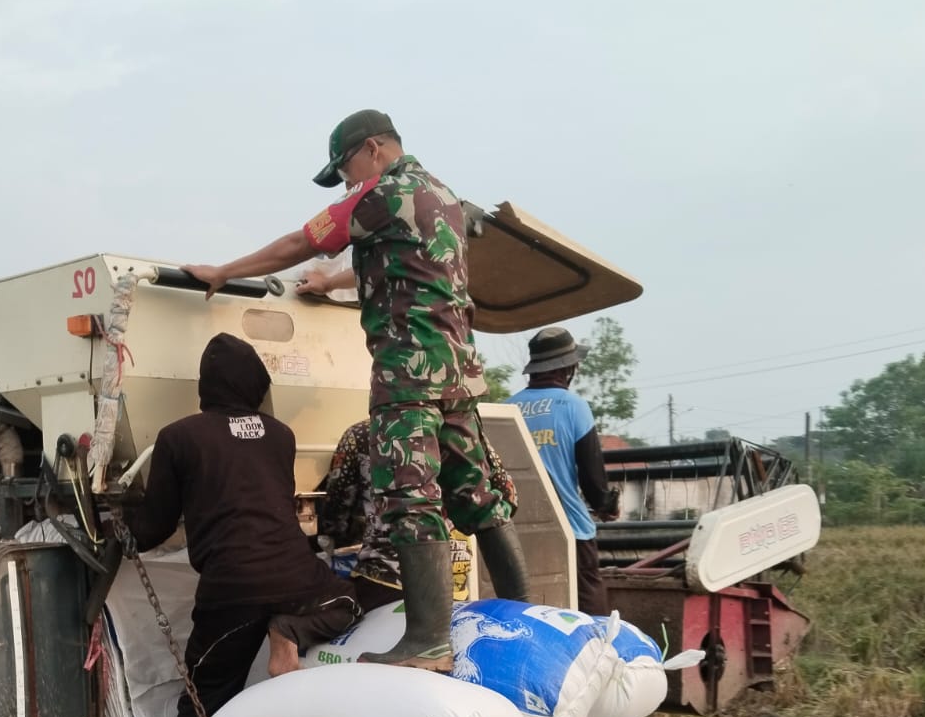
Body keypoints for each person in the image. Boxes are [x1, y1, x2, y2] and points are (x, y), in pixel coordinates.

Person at [184, 108, 527, 672]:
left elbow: (299, 242)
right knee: (475, 491)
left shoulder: (381, 193)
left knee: (410, 496)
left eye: (345, 167)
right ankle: (521, 615)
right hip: (457, 369)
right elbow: (399, 258)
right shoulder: (440, 196)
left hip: (407, 373)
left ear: (373, 148)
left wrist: (224, 271)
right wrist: (333, 282)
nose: (346, 180)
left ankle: (427, 641)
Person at [119, 332, 359, 717]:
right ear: (255, 384)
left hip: (231, 589)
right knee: (351, 601)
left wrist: (120, 522)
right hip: (297, 575)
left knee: (205, 698)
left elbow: (154, 529)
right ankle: (287, 628)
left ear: (206, 385)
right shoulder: (281, 435)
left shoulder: (179, 437)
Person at [319, 417, 515, 611]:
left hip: (385, 583)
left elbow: (335, 515)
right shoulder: (465, 434)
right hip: (452, 582)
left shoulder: (361, 434)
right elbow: (508, 495)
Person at [505, 326, 620, 615]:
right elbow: (591, 474)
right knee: (587, 594)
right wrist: (605, 505)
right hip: (569, 527)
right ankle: (598, 651)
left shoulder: (508, 407)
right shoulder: (573, 406)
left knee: (528, 601)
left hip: (517, 527)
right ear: (568, 367)